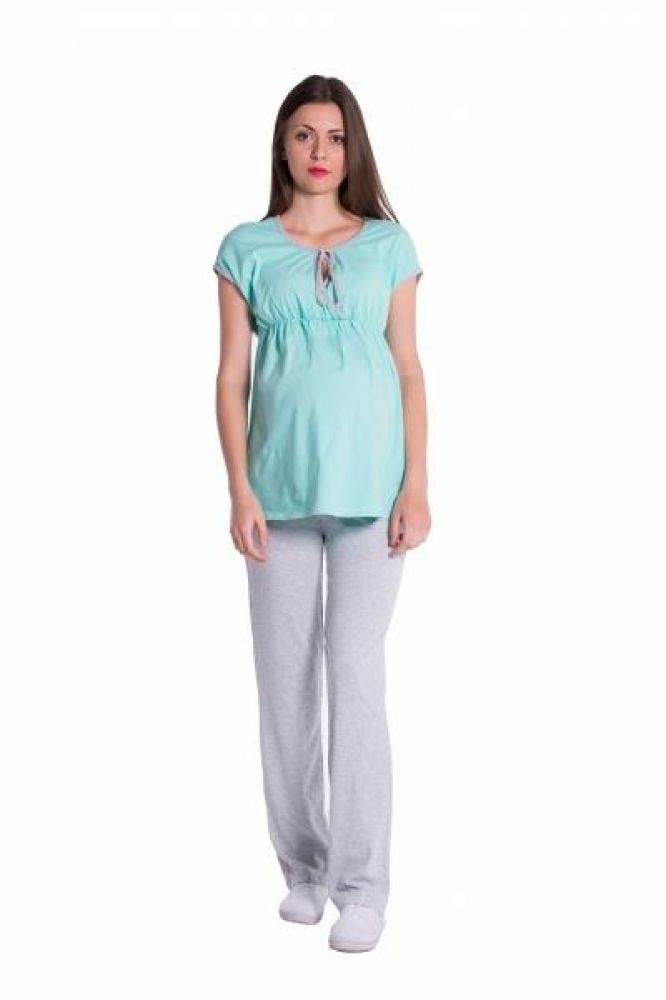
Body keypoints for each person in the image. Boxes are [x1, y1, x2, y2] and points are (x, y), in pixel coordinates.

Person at [213, 75, 431, 953]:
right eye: (304, 134)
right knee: (285, 686)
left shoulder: (388, 245)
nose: (319, 151)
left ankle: (363, 886)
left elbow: (409, 368)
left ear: (353, 149)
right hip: (278, 498)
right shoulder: (245, 249)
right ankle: (303, 873)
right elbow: (231, 376)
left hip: (375, 498)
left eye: (335, 137)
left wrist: (417, 485)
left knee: (356, 678)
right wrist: (239, 489)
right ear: (283, 144)